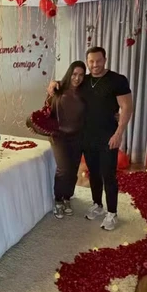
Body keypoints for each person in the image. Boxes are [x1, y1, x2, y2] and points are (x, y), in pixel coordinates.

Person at [48, 46, 133, 230]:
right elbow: (66, 83)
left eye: (98, 61)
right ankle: (98, 205)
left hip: (109, 136)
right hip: (87, 137)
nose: (95, 65)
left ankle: (112, 213)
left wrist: (119, 133)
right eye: (91, 61)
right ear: (87, 62)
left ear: (105, 59)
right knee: (94, 174)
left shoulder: (117, 80)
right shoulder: (84, 80)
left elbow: (127, 107)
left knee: (108, 175)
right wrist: (53, 83)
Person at [46, 61, 87, 219]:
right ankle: (58, 200)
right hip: (59, 136)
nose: (77, 78)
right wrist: (51, 88)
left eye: (81, 75)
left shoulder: (85, 93)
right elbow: (47, 108)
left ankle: (67, 198)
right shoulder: (58, 89)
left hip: (77, 136)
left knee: (73, 169)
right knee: (63, 169)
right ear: (70, 73)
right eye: (74, 74)